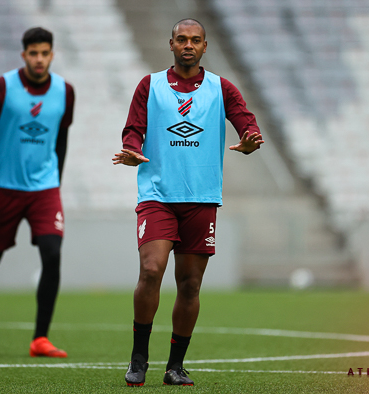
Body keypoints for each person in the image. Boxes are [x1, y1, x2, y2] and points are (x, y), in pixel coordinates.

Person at [113, 18, 264, 386]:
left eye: (195, 40)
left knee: (190, 285)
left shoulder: (220, 88)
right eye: (182, 39)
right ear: (171, 44)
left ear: (205, 46)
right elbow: (134, 129)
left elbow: (245, 119)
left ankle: (175, 366)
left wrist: (250, 137)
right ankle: (139, 358)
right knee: (151, 270)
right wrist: (132, 150)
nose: (188, 45)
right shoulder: (150, 85)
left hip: (201, 197)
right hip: (158, 195)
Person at [0, 27, 74, 358]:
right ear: (24, 55)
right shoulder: (2, 87)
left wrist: (56, 182)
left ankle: (40, 338)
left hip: (44, 189)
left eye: (44, 53)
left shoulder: (65, 91)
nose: (39, 59)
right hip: (2, 189)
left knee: (52, 253)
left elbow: (62, 139)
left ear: (52, 54)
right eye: (33, 53)